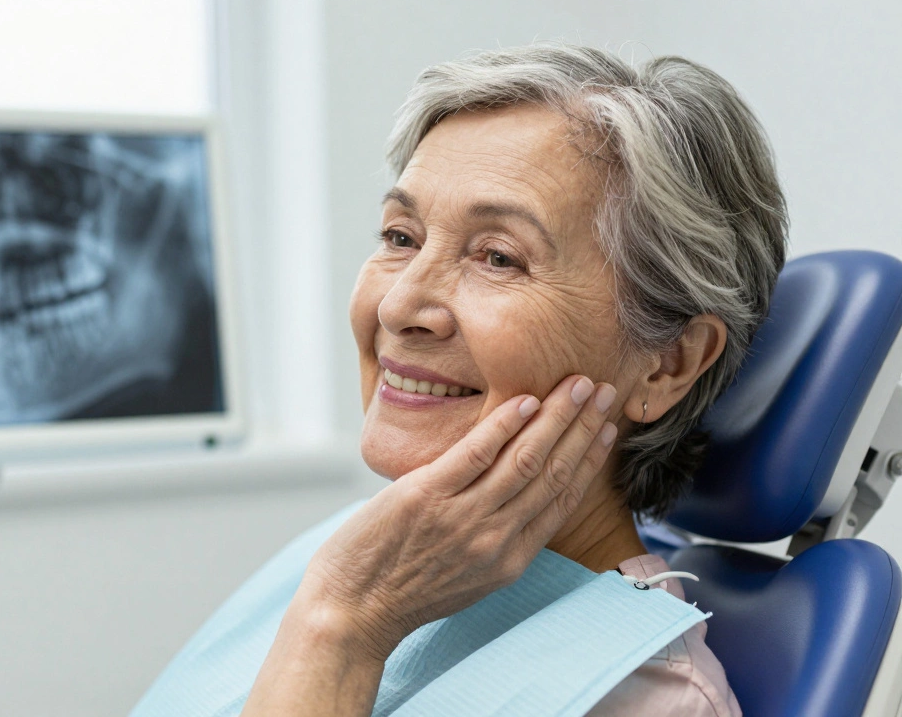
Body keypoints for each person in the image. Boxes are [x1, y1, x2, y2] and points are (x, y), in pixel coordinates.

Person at [186, 44, 784, 716]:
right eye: (401, 237)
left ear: (668, 363)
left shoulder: (648, 700)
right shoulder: (354, 551)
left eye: (497, 256)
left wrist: (343, 632)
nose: (398, 306)